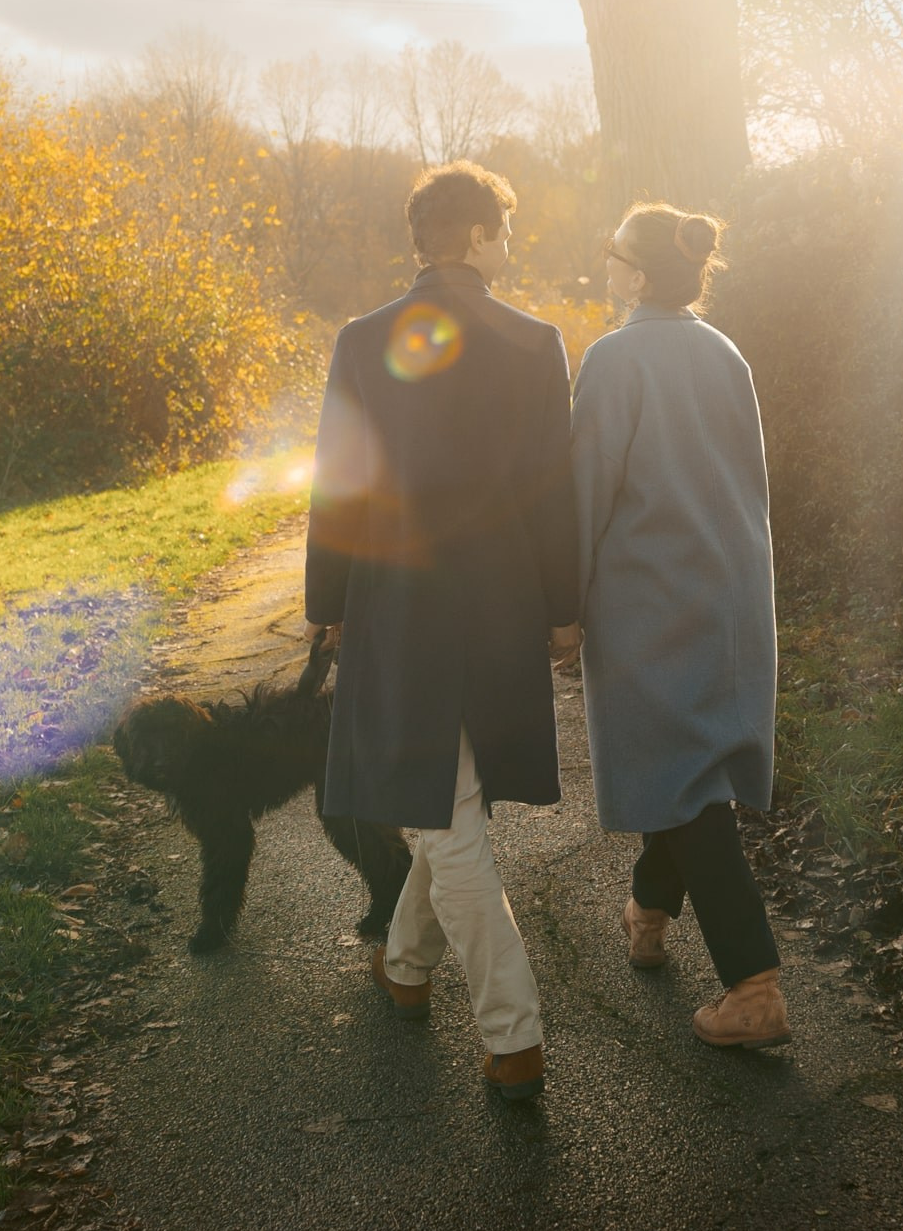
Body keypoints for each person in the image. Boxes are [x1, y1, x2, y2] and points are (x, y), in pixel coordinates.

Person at [306, 162, 580, 1103]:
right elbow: (556, 489)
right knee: (448, 805)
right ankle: (419, 975)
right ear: (471, 237)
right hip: (498, 606)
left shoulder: (363, 337)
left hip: (401, 608)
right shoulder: (537, 341)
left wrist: (330, 604)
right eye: (504, 230)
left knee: (443, 811)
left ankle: (510, 1029)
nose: (509, 246)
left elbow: (337, 481)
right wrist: (562, 606)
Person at [572, 202, 788, 1049]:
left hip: (649, 598)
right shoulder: (724, 351)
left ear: (635, 272)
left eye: (612, 254)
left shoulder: (614, 358)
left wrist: (562, 608)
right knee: (689, 759)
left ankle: (754, 984)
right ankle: (648, 909)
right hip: (731, 591)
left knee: (688, 778)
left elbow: (584, 493)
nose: (606, 267)